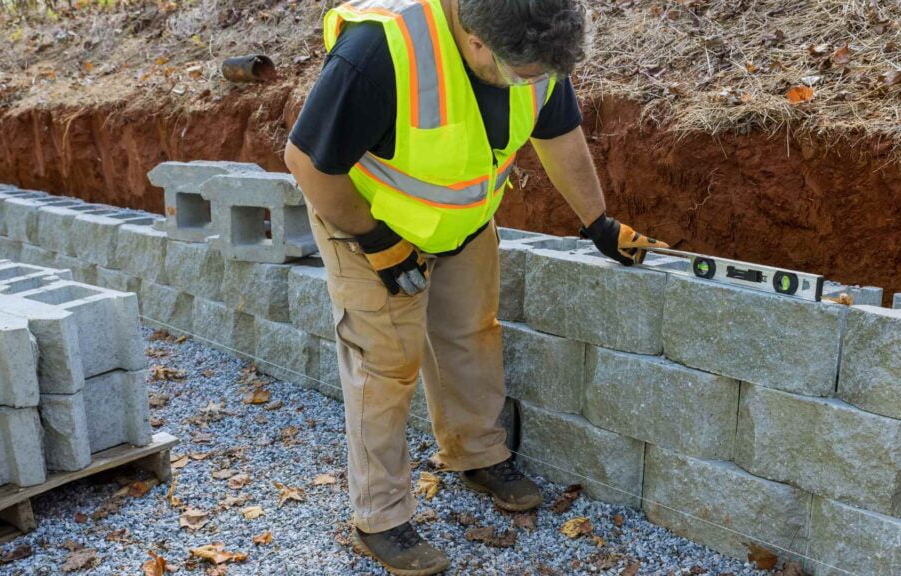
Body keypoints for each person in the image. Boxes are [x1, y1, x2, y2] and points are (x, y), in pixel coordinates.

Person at [284, 0, 667, 573]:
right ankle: (380, 517)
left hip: (462, 223)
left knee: (470, 333)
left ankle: (475, 454)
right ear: (477, 40)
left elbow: (558, 134)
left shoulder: (537, 42)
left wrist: (598, 223)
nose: (533, 85)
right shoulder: (381, 51)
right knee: (386, 365)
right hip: (366, 219)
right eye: (524, 75)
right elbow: (307, 162)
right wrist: (379, 242)